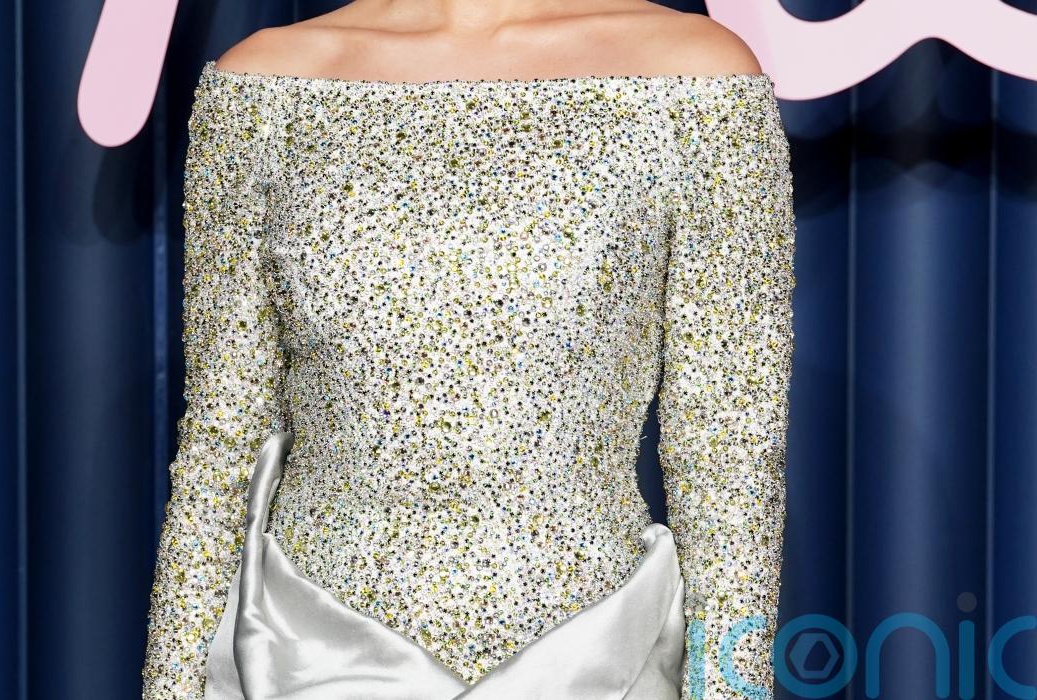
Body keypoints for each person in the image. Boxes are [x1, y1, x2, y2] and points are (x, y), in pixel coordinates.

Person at [141, 1, 796, 698]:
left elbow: (729, 461)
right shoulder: (262, 86)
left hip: (593, 661)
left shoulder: (696, 81)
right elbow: (223, 443)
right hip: (308, 659)